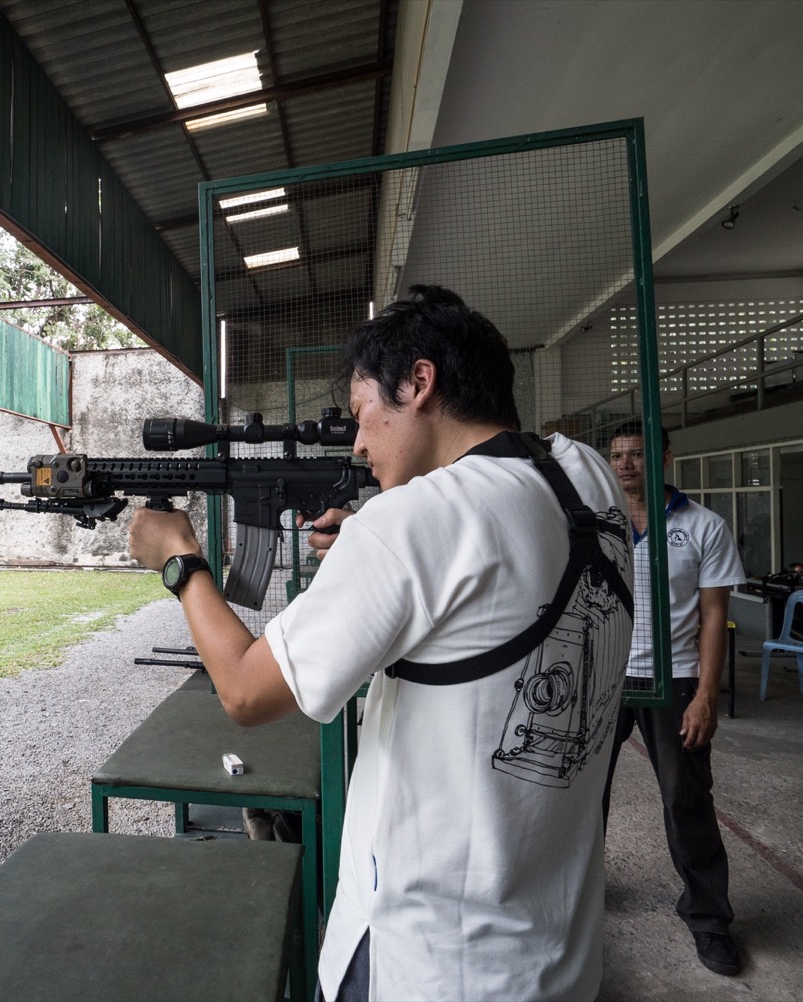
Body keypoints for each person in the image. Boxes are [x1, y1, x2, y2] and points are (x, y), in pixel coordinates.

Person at [129, 285, 634, 1001]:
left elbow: (244, 692)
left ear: (420, 383)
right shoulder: (586, 476)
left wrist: (181, 562)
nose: (359, 442)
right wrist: (370, 555)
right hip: (555, 949)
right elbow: (492, 586)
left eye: (366, 413)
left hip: (428, 958)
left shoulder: (409, 526)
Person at [602, 419, 746, 976]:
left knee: (686, 801)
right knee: (579, 801)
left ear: (663, 456)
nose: (626, 464)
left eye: (637, 453)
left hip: (674, 679)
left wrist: (706, 694)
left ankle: (709, 919)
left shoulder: (703, 525)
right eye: (617, 455)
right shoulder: (596, 524)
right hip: (604, 681)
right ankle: (580, 897)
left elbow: (714, 616)